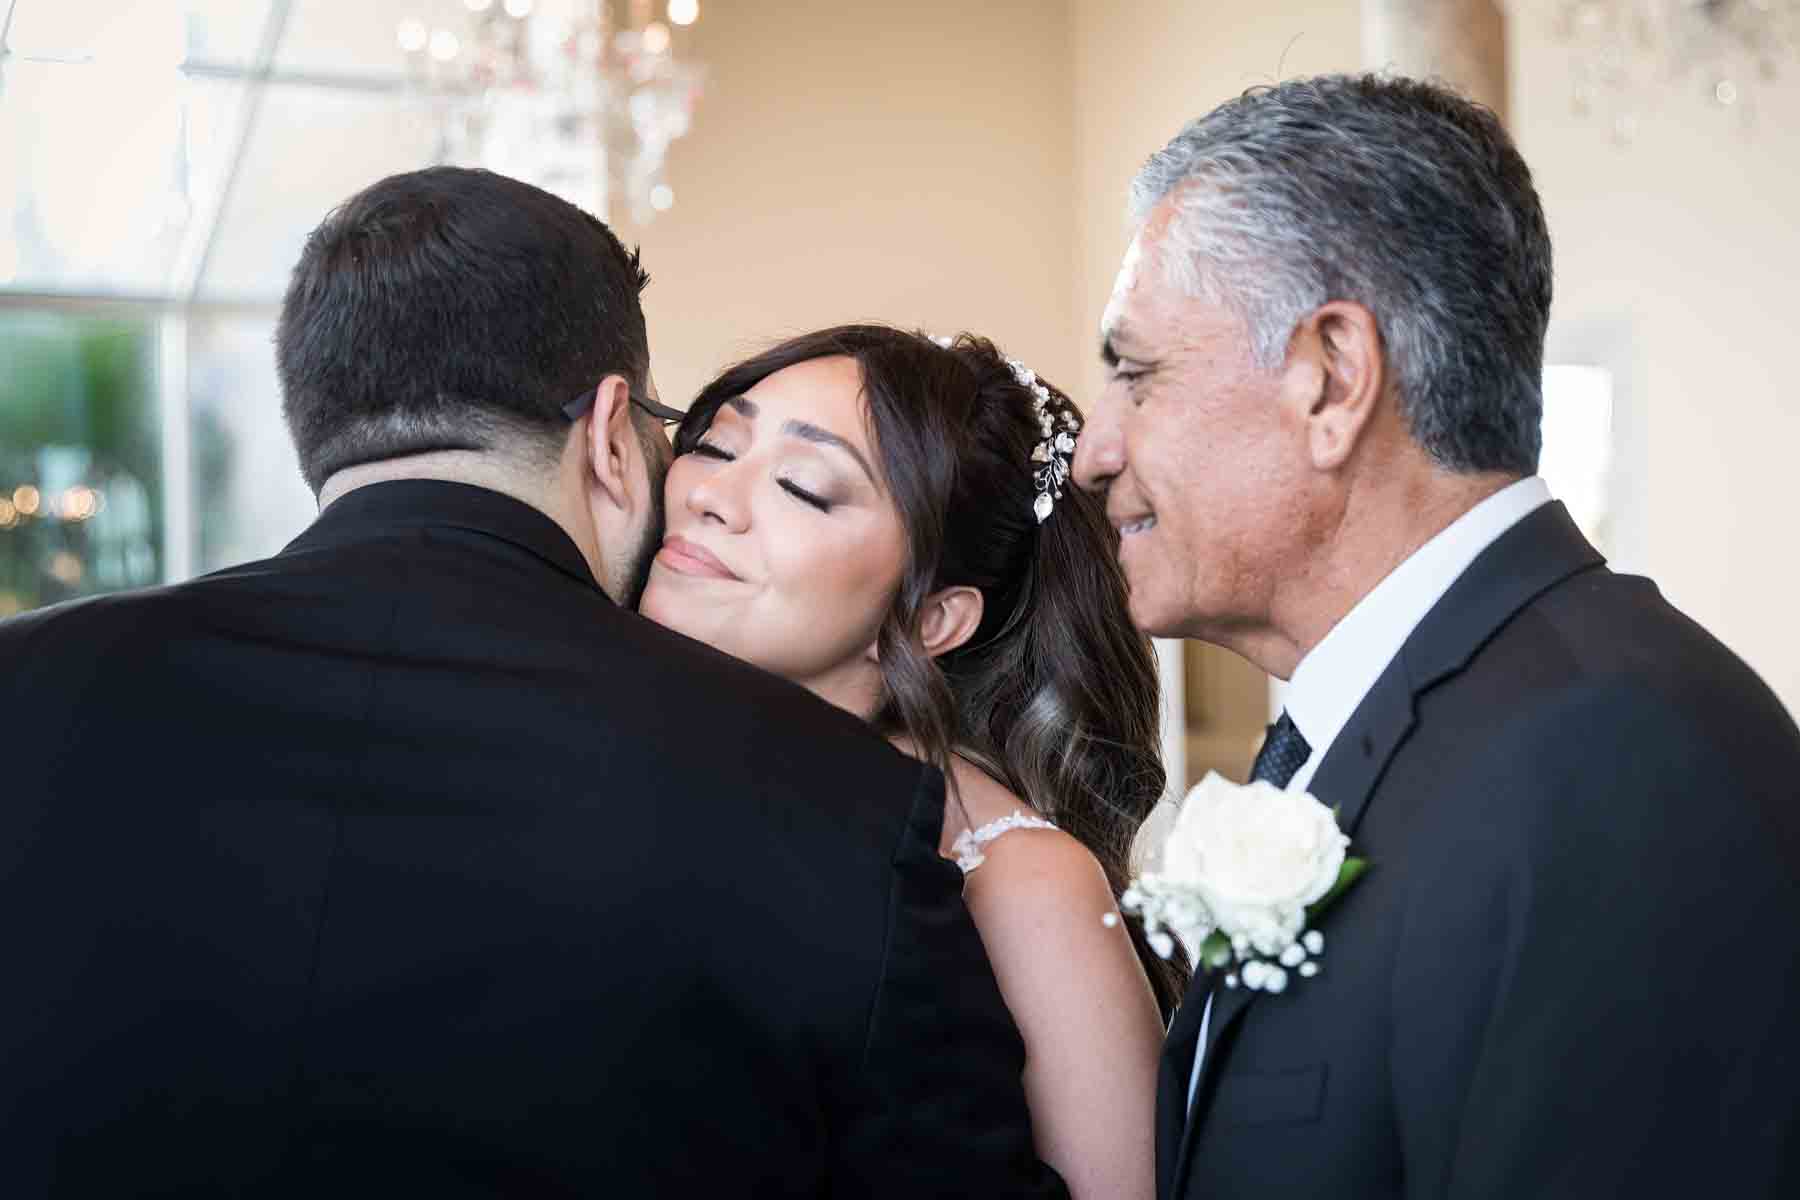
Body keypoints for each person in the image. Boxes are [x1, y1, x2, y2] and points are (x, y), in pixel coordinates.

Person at [0, 167, 1068, 1198]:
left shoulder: (28, 690)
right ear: (612, 434)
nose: (702, 499)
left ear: (312, 424)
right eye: (690, 440)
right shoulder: (839, 804)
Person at [1071, 74, 1800, 1200]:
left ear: (1333, 378)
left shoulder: (1608, 758)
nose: (1095, 451)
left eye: (1136, 375)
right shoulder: (1419, 724)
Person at [639, 325, 1181, 1199]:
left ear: (932, 619)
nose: (713, 497)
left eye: (803, 487)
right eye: (714, 445)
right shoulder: (646, 764)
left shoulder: (1020, 877)